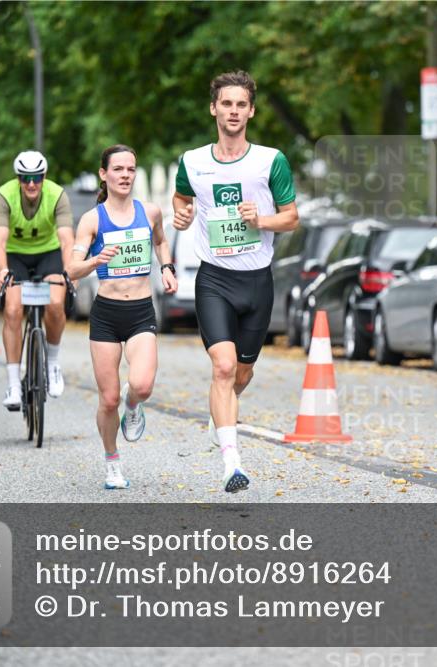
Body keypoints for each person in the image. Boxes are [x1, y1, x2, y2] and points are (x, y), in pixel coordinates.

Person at [172, 71, 299, 493]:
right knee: (223, 366)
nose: (233, 111)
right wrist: (183, 213)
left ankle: (221, 412)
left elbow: (291, 217)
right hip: (214, 280)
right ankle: (232, 463)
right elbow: (181, 196)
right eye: (226, 104)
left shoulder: (270, 160)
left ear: (251, 112)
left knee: (242, 373)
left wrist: (259, 220)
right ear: (214, 108)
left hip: (257, 282)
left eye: (241, 105)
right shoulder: (193, 161)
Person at [68, 145, 176, 490]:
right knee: (108, 398)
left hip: (141, 309)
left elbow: (160, 243)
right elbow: (71, 269)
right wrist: (95, 262)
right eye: (118, 169)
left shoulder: (151, 211)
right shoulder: (92, 219)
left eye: (131, 169)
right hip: (106, 314)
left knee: (141, 385)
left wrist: (168, 268)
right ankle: (112, 462)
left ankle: (134, 404)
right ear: (104, 174)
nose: (125, 175)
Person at [0, 151, 74, 409]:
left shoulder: (57, 194)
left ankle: (52, 364)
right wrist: (3, 269)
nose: (31, 183)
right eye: (25, 177)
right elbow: (0, 240)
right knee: (14, 310)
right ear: (18, 178)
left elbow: (66, 238)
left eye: (36, 178)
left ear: (44, 177)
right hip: (15, 255)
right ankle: (14, 384)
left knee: (55, 303)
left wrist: (70, 269)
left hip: (48, 254)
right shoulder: (5, 195)